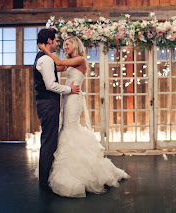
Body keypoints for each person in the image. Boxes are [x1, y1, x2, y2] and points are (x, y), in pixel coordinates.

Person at [37, 36, 130, 197]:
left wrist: (44, 50)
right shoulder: (71, 61)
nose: (64, 47)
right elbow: (56, 67)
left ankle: (76, 171)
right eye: (63, 44)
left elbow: (58, 63)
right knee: (66, 129)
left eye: (67, 44)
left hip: (74, 99)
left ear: (75, 45)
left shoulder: (80, 59)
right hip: (67, 97)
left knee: (70, 129)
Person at [33, 29, 80, 191]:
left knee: (50, 138)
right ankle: (44, 181)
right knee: (49, 140)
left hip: (46, 102)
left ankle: (45, 176)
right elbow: (50, 85)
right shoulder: (45, 59)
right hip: (48, 103)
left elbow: (60, 67)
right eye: (55, 40)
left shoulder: (45, 58)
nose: (57, 43)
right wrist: (69, 89)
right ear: (48, 41)